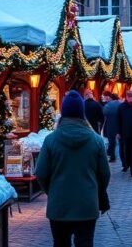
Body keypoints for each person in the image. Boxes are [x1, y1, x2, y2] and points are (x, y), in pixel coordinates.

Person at [35, 90, 111, 247]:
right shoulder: (96, 140)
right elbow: (105, 174)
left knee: (61, 243)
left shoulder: (51, 140)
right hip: (87, 204)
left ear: (63, 112)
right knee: (85, 242)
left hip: (59, 205)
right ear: (82, 112)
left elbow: (41, 172)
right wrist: (96, 191)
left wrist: (52, 190)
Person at [101, 92, 121, 163]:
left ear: (109, 97)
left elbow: (104, 113)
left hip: (110, 125)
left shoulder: (108, 105)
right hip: (119, 125)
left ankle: (111, 155)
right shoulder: (120, 104)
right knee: (118, 142)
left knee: (111, 141)